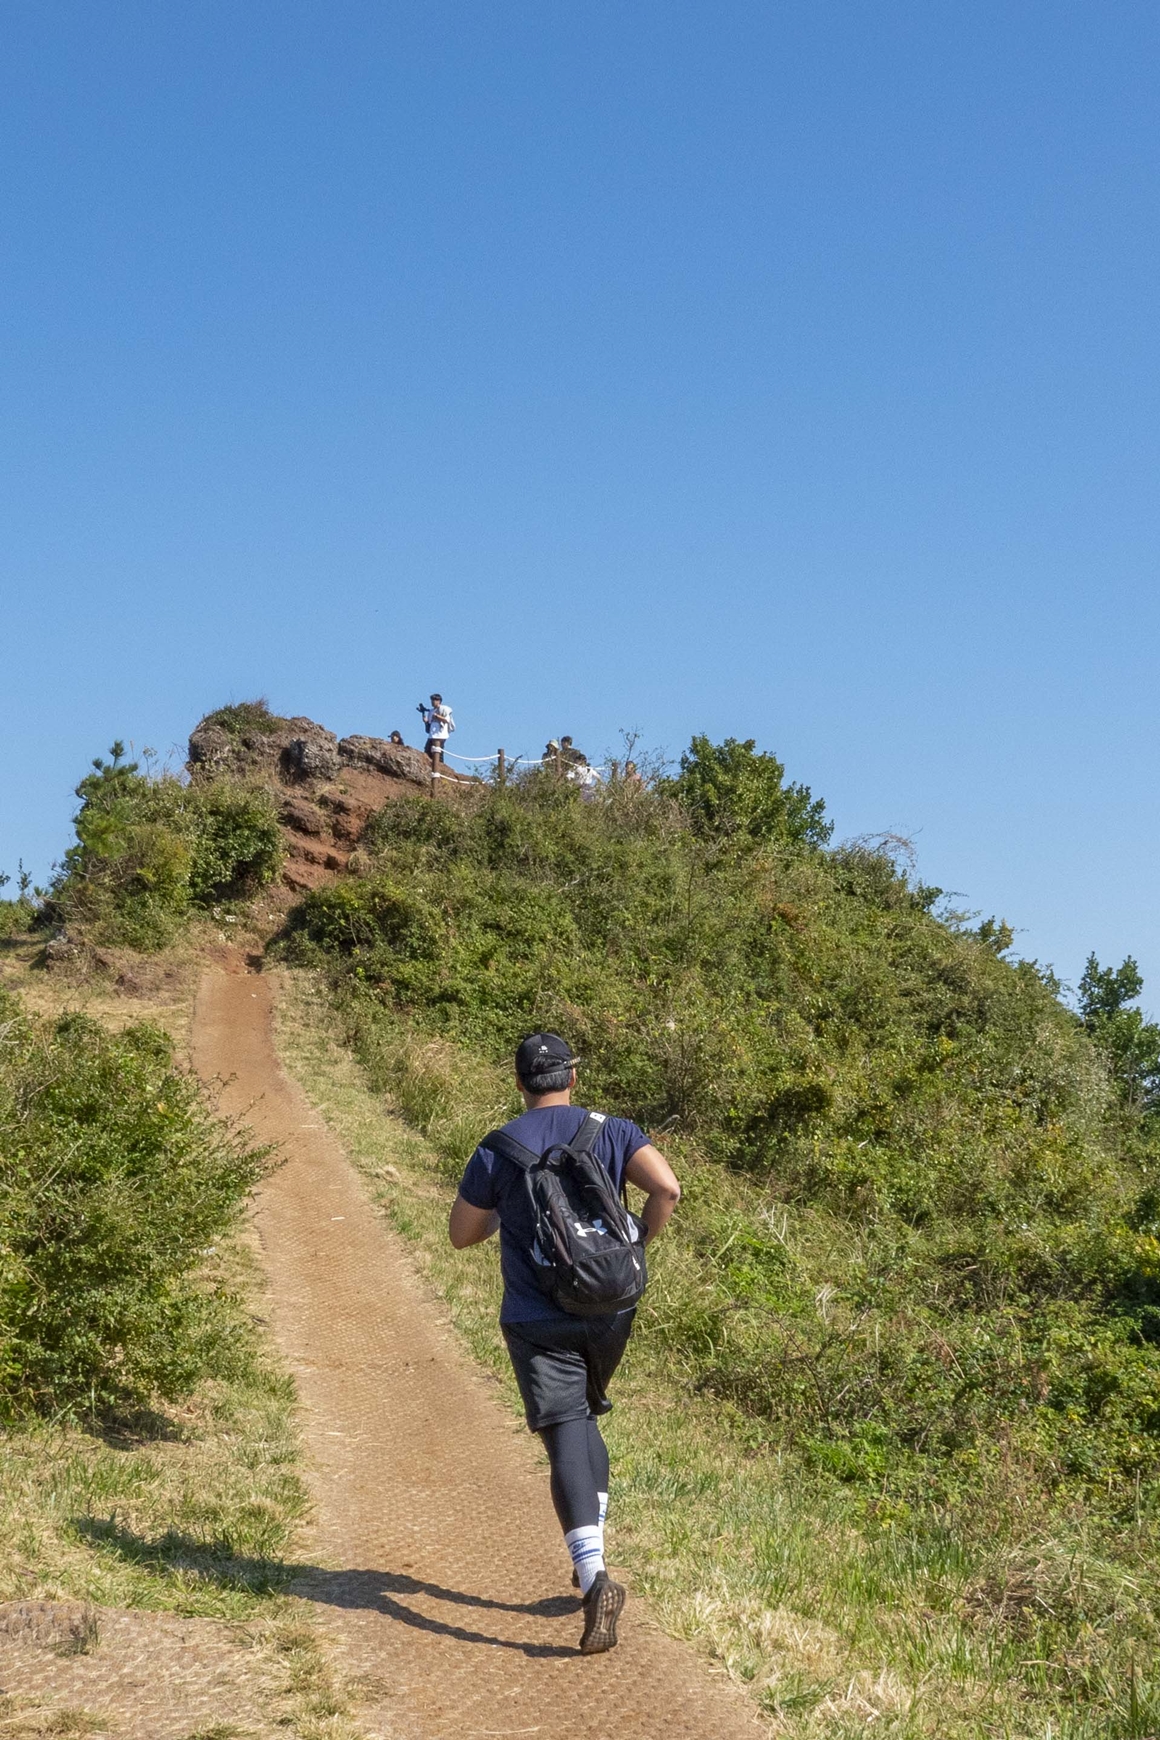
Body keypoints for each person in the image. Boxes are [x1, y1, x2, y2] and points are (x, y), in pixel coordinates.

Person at [449, 1033, 681, 1655]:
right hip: (611, 1308)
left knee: (566, 1427)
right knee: (584, 1418)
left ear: (520, 1082)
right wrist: (636, 1247)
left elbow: (461, 1235)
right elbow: (667, 1189)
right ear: (572, 1077)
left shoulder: (498, 1147)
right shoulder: (614, 1129)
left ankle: (593, 1576)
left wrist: (506, 1208)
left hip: (536, 1315)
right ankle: (593, 1555)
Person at [418, 694, 454, 769]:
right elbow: (429, 727)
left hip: (441, 735)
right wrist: (425, 722)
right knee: (427, 751)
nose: (433, 702)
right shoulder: (430, 712)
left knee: (438, 753)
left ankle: (440, 769)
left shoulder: (443, 709)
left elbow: (446, 720)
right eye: (432, 700)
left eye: (434, 700)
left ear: (439, 701)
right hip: (432, 735)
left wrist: (437, 716)